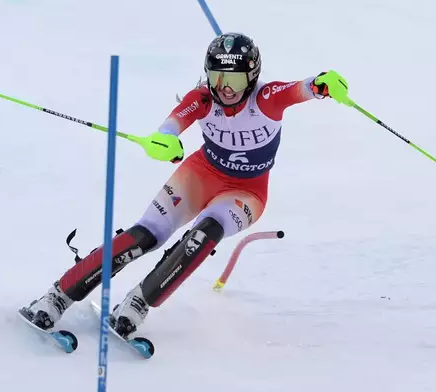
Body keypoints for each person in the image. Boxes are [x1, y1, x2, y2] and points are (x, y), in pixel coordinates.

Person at [20, 32, 350, 339]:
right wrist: (162, 141)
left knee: (206, 232)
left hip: (246, 192)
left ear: (251, 78)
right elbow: (172, 124)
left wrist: (322, 84)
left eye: (234, 80)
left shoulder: (266, 98)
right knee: (146, 234)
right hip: (201, 173)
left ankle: (139, 302)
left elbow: (301, 88)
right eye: (218, 77)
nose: (226, 89)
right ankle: (58, 296)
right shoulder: (203, 97)